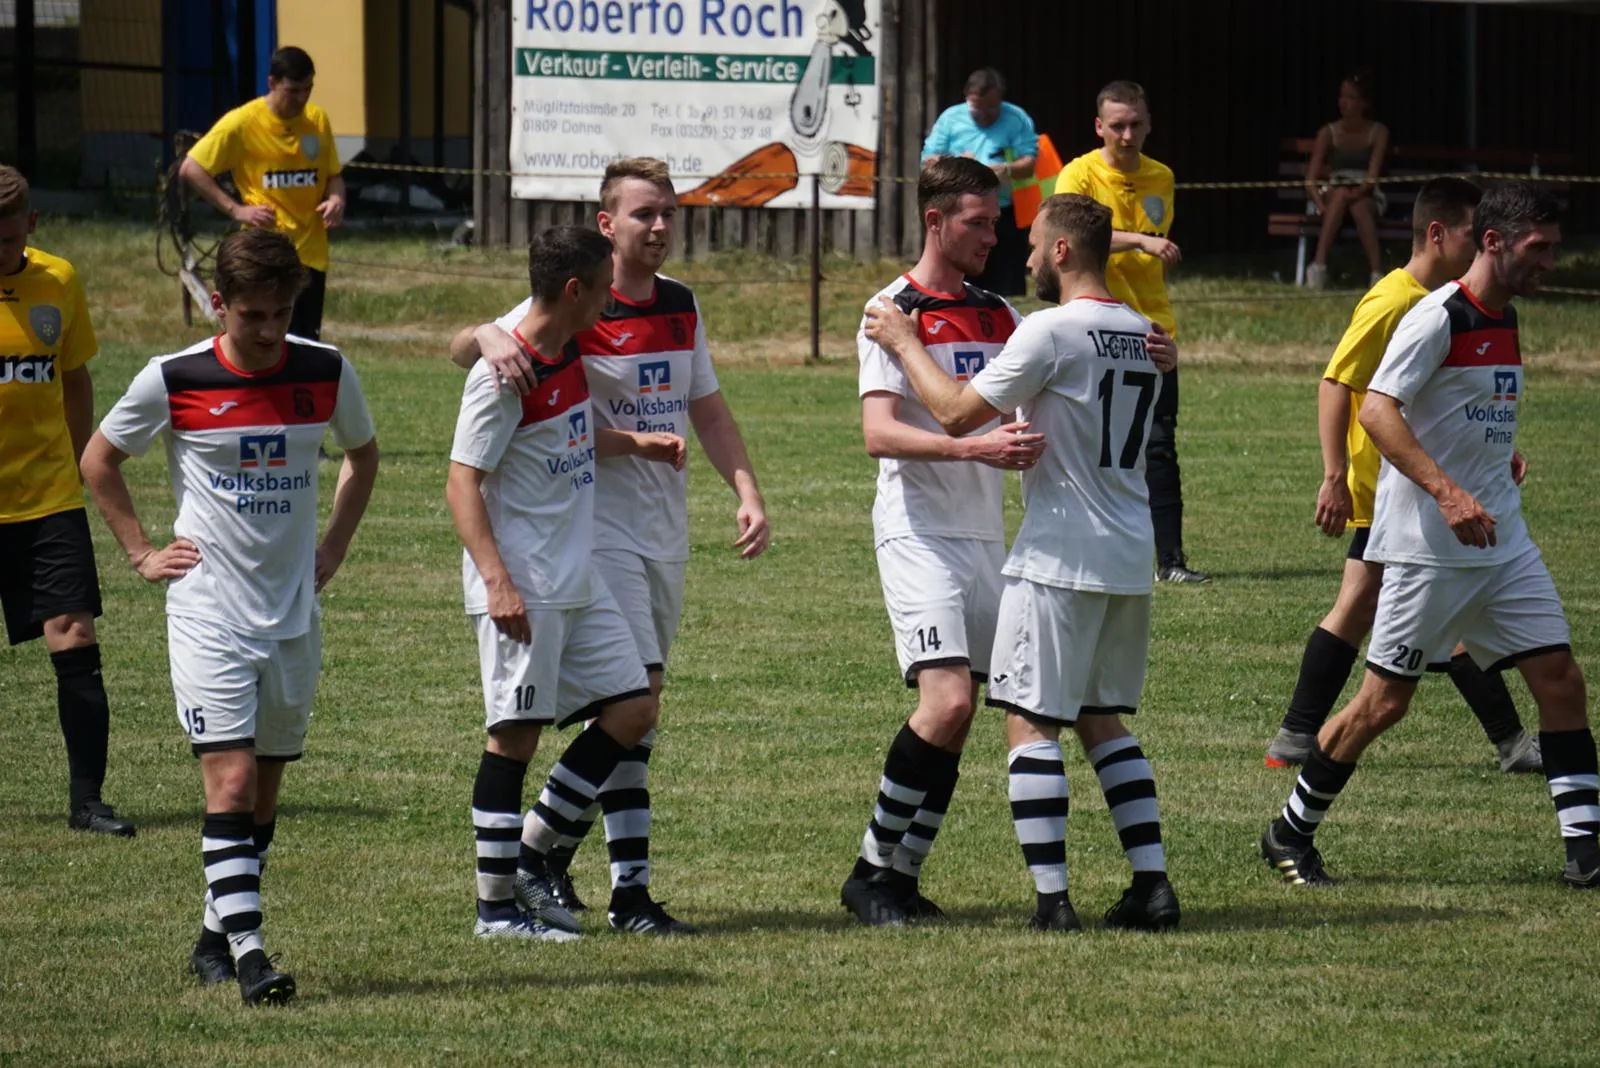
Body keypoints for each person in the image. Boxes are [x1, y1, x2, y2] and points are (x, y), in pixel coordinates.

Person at [450, 158, 769, 933]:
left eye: (669, 213)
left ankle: (545, 853)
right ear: (606, 224)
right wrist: (485, 334)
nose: (659, 227)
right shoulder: (571, 306)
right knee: (633, 700)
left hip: (661, 532)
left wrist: (745, 488)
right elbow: (478, 350)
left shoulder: (678, 304)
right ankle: (619, 889)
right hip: (590, 537)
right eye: (643, 214)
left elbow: (706, 407)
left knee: (636, 708)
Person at [1260, 181, 1600, 891]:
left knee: (1561, 681)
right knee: (1383, 705)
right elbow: (1378, 410)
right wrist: (1447, 491)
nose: (1550, 262)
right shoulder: (1435, 316)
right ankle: (1289, 831)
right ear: (1493, 242)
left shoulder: (1505, 316)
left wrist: (1497, 454)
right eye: (1539, 248)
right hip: (1427, 548)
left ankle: (1587, 853)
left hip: (1502, 542)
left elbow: (1465, 410)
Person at [866, 193, 1182, 932]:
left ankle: (1053, 903)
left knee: (1031, 724)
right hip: (1129, 553)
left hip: (1059, 553)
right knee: (1103, 721)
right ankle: (1152, 886)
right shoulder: (1142, 331)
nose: (1027, 256)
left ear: (1064, 251)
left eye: (1036, 245)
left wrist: (906, 343)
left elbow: (955, 412)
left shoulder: (1048, 329)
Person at [80, 228, 380, 1004]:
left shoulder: (325, 369)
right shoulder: (173, 377)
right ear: (219, 304)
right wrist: (142, 551)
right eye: (253, 316)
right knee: (233, 780)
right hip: (208, 611)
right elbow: (98, 460)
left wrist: (334, 546)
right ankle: (252, 958)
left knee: (263, 795)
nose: (270, 330)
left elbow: (363, 454)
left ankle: (214, 937)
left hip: (293, 616)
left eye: (282, 313)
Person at [1264, 177, 1542, 775]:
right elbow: (1337, 383)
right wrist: (1335, 475)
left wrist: (1499, 447)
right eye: (1471, 234)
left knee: (1392, 610)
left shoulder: (1452, 300)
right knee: (1394, 611)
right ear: (1437, 234)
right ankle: (1512, 743)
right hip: (1391, 488)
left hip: (1418, 485)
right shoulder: (1395, 301)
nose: (1480, 246)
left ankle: (1296, 737)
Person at [840, 157, 1036, 926]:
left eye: (996, 222)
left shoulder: (1000, 314)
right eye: (977, 223)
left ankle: (902, 878)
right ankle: (868, 874)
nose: (993, 236)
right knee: (946, 699)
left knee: (959, 717)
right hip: (917, 531)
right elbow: (878, 433)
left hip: (985, 536)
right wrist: (973, 449)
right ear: (935, 220)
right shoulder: (890, 310)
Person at [0, 165, 134, 837]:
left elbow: (75, 380)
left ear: (30, 225)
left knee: (75, 637)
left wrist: (82, 461)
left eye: (5, 240)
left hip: (47, 496)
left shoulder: (58, 281)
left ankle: (87, 802)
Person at [1060, 81, 1206, 584]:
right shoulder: (1078, 173)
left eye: (1135, 124)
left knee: (1160, 447)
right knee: (1093, 445)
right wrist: (1141, 241)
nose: (1127, 135)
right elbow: (1072, 236)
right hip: (1095, 330)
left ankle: (1171, 562)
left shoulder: (1161, 176)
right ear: (1098, 127)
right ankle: (1092, 554)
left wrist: (1145, 243)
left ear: (1149, 124)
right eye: (1117, 126)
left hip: (1153, 329)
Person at [181, 46, 345, 343]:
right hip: (264, 255)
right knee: (265, 341)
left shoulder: (317, 120)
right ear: (272, 82)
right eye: (293, 90)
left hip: (311, 254)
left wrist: (336, 199)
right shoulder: (242, 123)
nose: (302, 98)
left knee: (305, 346)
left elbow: (333, 176)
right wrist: (236, 209)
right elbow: (191, 169)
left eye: (308, 89)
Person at [921, 67, 1038, 298]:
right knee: (958, 285)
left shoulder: (1016, 118)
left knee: (1004, 290)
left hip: (1002, 213)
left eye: (991, 109)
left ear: (1001, 100)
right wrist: (958, 164)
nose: (984, 115)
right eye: (976, 109)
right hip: (959, 213)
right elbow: (928, 162)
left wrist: (1006, 169)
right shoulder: (950, 118)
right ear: (967, 99)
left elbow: (1030, 165)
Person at [1304, 71, 1390, 290]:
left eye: (1351, 97)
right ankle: (1318, 268)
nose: (1344, 102)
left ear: (1363, 103)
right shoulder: (1327, 133)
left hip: (1365, 193)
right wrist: (1321, 205)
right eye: (1341, 96)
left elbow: (1372, 176)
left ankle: (1377, 274)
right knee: (1341, 193)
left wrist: (1360, 190)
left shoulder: (1378, 132)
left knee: (1359, 206)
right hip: (1334, 191)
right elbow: (1310, 180)